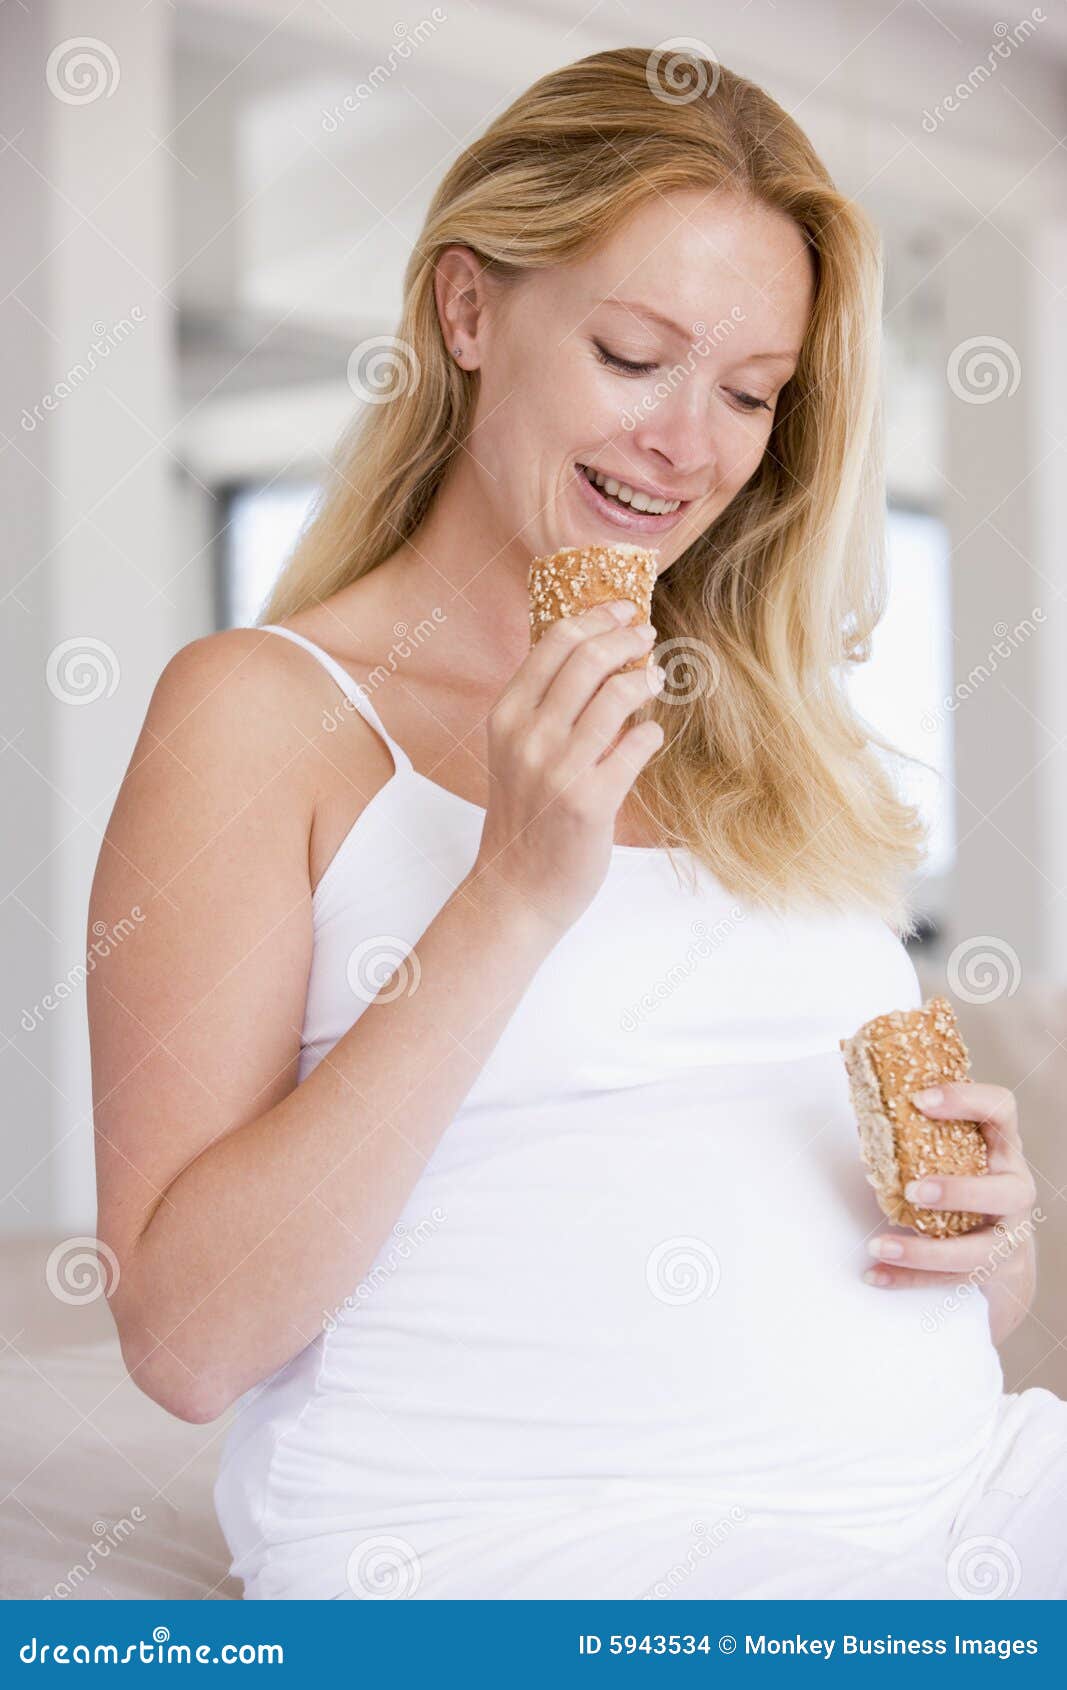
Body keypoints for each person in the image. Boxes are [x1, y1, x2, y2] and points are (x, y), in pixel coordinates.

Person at [87, 47, 1063, 1600]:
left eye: (751, 392)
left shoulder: (765, 722)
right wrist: (515, 896)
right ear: (468, 311)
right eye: (633, 356)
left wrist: (985, 1248)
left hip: (964, 1498)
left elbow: (830, 1237)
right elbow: (185, 1339)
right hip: (531, 1555)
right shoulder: (263, 713)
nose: (691, 444)